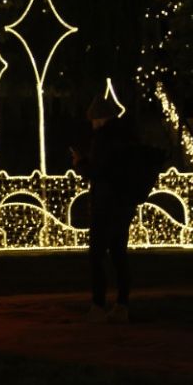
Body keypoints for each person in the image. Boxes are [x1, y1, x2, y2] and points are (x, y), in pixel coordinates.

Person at [71, 95, 136, 324]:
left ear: (98, 118)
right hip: (125, 203)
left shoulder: (102, 138)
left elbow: (97, 172)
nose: (92, 125)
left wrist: (80, 163)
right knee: (119, 255)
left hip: (105, 204)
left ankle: (98, 305)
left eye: (92, 121)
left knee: (96, 256)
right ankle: (122, 305)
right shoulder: (128, 136)